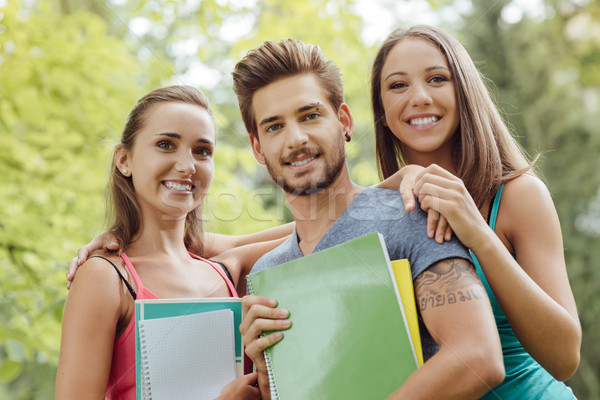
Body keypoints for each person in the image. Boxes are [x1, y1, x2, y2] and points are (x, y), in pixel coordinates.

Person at [232, 38, 505, 399]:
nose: (296, 138)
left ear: (344, 121)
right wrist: (270, 376)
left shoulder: (411, 217)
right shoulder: (269, 272)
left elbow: (479, 357)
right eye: (274, 127)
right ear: (257, 148)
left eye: (310, 116)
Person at [370, 25, 581, 398]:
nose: (418, 97)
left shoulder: (520, 196)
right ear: (383, 114)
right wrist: (235, 249)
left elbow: (565, 357)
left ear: (464, 91)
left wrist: (478, 233)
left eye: (437, 78)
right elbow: (311, 229)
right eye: (398, 85)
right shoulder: (392, 204)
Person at [55, 85, 271, 400]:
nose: (187, 166)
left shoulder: (225, 272)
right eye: (166, 144)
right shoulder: (105, 278)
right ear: (124, 159)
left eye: (202, 151)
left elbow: (323, 224)